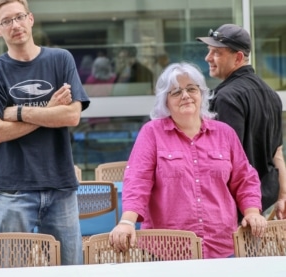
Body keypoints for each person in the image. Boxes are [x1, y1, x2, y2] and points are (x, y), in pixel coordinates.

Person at [109, 62, 267, 259]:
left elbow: (245, 178)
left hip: (222, 246)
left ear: (202, 95)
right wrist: (127, 222)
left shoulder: (224, 133)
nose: (185, 95)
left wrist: (252, 212)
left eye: (192, 89)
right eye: (175, 92)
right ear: (165, 101)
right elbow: (138, 180)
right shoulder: (152, 133)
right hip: (167, 248)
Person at [0, 0, 90, 265]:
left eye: (19, 17)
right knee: (12, 269)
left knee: (71, 269)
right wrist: (50, 110)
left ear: (30, 18)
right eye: (7, 21)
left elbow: (71, 115)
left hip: (60, 185)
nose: (16, 25)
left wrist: (18, 112)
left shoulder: (60, 59)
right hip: (13, 190)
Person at [196, 24, 286, 220]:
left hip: (235, 209)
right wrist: (282, 196)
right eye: (209, 51)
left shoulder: (226, 98)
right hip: (262, 203)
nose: (208, 58)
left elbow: (224, 160)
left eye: (216, 53)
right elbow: (277, 152)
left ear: (237, 57)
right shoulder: (272, 95)